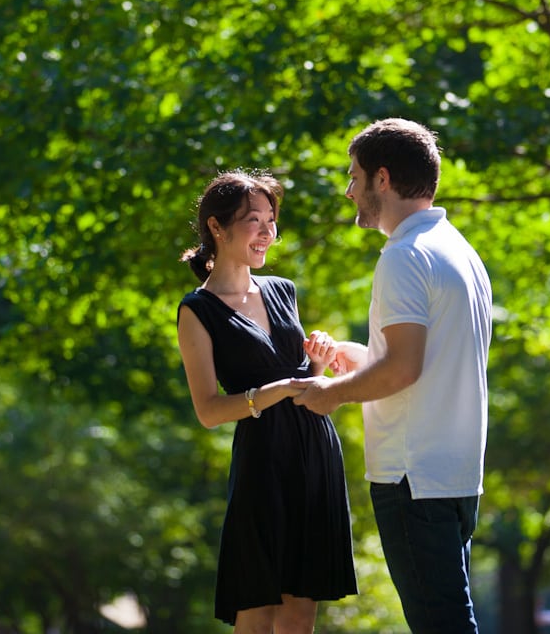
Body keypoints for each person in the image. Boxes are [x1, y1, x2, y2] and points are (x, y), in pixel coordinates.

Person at [292, 118, 492, 633]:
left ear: (382, 179)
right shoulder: (459, 251)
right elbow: (423, 360)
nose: (348, 190)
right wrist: (353, 355)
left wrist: (330, 394)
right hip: (455, 474)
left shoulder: (404, 256)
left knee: (440, 625)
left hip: (413, 476)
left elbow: (404, 368)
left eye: (354, 176)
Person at [176, 169, 358, 632]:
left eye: (271, 220)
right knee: (256, 605)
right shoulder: (196, 310)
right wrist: (271, 392)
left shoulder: (283, 290)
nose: (267, 232)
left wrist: (316, 363)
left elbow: (302, 379)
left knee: (301, 608)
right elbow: (209, 410)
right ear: (217, 227)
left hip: (314, 450)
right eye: (254, 220)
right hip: (263, 460)